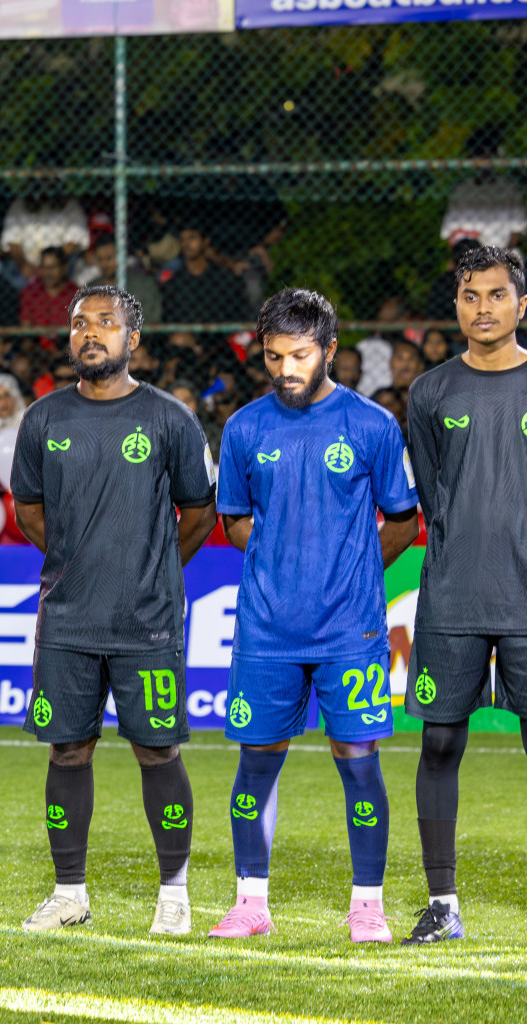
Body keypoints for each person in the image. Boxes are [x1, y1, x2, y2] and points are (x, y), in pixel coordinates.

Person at [207, 289, 419, 944]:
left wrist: (351, 572)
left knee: (358, 759)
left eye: (299, 355)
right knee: (256, 762)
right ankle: (250, 902)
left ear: (329, 350)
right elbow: (235, 520)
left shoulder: (373, 426)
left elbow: (404, 521)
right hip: (266, 630)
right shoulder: (244, 428)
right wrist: (279, 556)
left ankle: (367, 906)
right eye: (273, 357)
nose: (285, 369)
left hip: (349, 631)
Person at [11, 285, 217, 936]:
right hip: (68, 621)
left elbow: (199, 512)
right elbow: (29, 511)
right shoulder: (43, 418)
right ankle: (69, 893)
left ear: (135, 340)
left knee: (158, 753)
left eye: (106, 323)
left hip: (146, 621)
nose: (89, 333)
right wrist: (79, 561)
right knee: (67, 754)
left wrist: (152, 568)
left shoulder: (170, 418)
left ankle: (174, 896)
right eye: (79, 323)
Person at [402, 246, 527, 944]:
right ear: (457, 307)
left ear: (521, 305)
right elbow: (431, 493)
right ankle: (443, 903)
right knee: (441, 741)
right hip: (452, 595)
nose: (483, 308)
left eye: (497, 295)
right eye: (470, 296)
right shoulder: (429, 393)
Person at [18, 246, 79, 329]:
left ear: (64, 267)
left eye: (53, 267)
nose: (48, 273)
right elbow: (25, 328)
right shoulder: (30, 293)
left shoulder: (75, 294)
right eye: (44, 267)